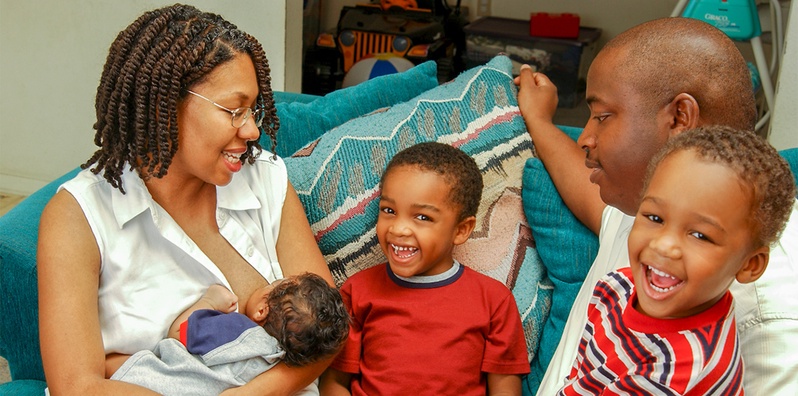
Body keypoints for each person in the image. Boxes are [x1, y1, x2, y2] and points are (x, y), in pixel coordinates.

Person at [37, 4, 334, 395]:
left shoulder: (264, 178)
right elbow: (76, 386)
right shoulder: (79, 217)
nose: (252, 130)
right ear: (164, 104)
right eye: (234, 110)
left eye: (253, 110)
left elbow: (329, 330)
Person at [515, 17, 798, 395]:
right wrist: (540, 120)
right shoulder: (648, 207)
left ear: (679, 118)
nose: (585, 138)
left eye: (602, 117)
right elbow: (589, 191)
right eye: (654, 218)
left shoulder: (770, 314)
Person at [558, 126, 795, 395]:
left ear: (750, 265)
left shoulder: (677, 372)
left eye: (700, 235)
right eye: (655, 218)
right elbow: (579, 378)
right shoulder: (615, 287)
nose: (664, 245)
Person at [318, 142, 530, 396]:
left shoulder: (494, 301)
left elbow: (505, 390)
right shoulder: (357, 291)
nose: (398, 229)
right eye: (389, 210)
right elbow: (333, 382)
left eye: (422, 217)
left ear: (461, 230)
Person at [111, 273, 350, 395]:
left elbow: (179, 333)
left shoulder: (238, 331)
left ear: (262, 310)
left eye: (271, 284)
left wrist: (209, 301)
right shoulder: (299, 380)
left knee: (113, 363)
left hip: (164, 385)